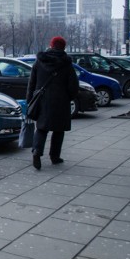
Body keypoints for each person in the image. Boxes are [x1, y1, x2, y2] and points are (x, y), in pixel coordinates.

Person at [26, 36, 78, 170]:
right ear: (63, 47)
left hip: (42, 101)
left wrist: (30, 100)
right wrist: (70, 97)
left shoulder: (39, 61)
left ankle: (37, 152)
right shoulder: (66, 64)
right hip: (61, 101)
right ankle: (55, 157)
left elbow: (31, 82)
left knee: (42, 128)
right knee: (59, 130)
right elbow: (73, 85)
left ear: (51, 45)